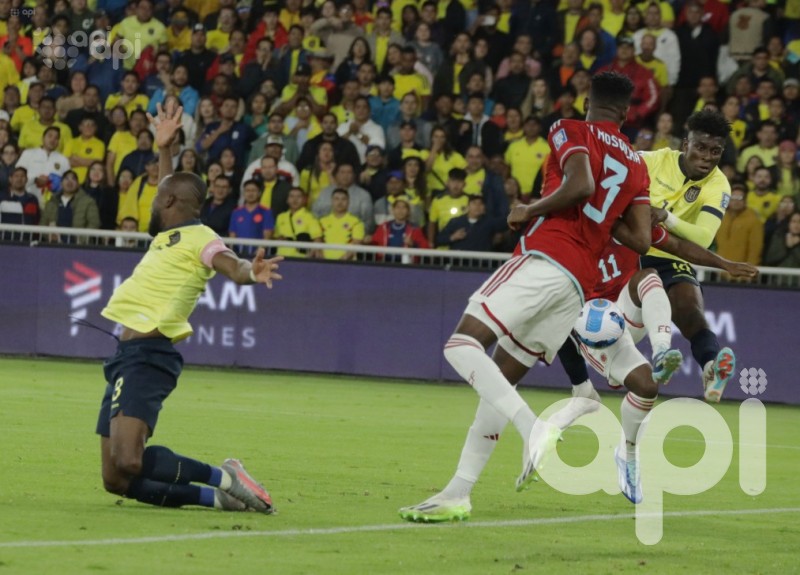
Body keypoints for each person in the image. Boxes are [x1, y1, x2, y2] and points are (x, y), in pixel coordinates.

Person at [399, 71, 652, 522]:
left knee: (460, 344)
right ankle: (458, 493)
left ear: (586, 102)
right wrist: (606, 217)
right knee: (499, 383)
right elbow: (641, 239)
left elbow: (581, 185)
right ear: (627, 112)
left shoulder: (569, 128)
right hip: (577, 284)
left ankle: (533, 427)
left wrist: (529, 209)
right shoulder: (637, 164)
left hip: (547, 256)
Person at [97, 102, 280, 514]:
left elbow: (231, 265)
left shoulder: (202, 238)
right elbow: (170, 187)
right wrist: (165, 147)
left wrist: (251, 272)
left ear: (168, 202)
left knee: (129, 460)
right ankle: (217, 498)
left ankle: (227, 477)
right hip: (125, 356)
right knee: (115, 478)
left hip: (149, 356)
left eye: (157, 196)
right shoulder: (167, 234)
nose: (152, 200)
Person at [641, 110, 737, 401]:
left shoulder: (718, 185)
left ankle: (711, 367)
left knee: (690, 309)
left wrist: (666, 217)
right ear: (686, 144)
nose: (707, 157)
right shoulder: (653, 161)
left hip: (674, 255)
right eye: (701, 147)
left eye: (715, 151)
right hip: (632, 250)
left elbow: (704, 238)